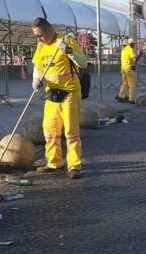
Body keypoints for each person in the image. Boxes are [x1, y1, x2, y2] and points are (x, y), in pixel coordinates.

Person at [31, 18, 87, 179]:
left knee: (71, 131)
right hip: (51, 93)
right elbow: (37, 66)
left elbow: (83, 63)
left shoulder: (65, 41)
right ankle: (54, 162)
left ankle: (74, 165)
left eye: (40, 35)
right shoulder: (41, 46)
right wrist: (36, 80)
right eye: (36, 36)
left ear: (49, 30)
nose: (39, 38)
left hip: (69, 92)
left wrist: (68, 50)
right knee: (50, 130)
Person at [116, 38, 137, 104]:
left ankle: (121, 96)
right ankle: (131, 99)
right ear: (131, 44)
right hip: (129, 69)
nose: (134, 45)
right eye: (134, 44)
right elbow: (134, 59)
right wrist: (139, 55)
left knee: (125, 83)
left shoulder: (123, 50)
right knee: (132, 84)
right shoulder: (130, 49)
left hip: (123, 69)